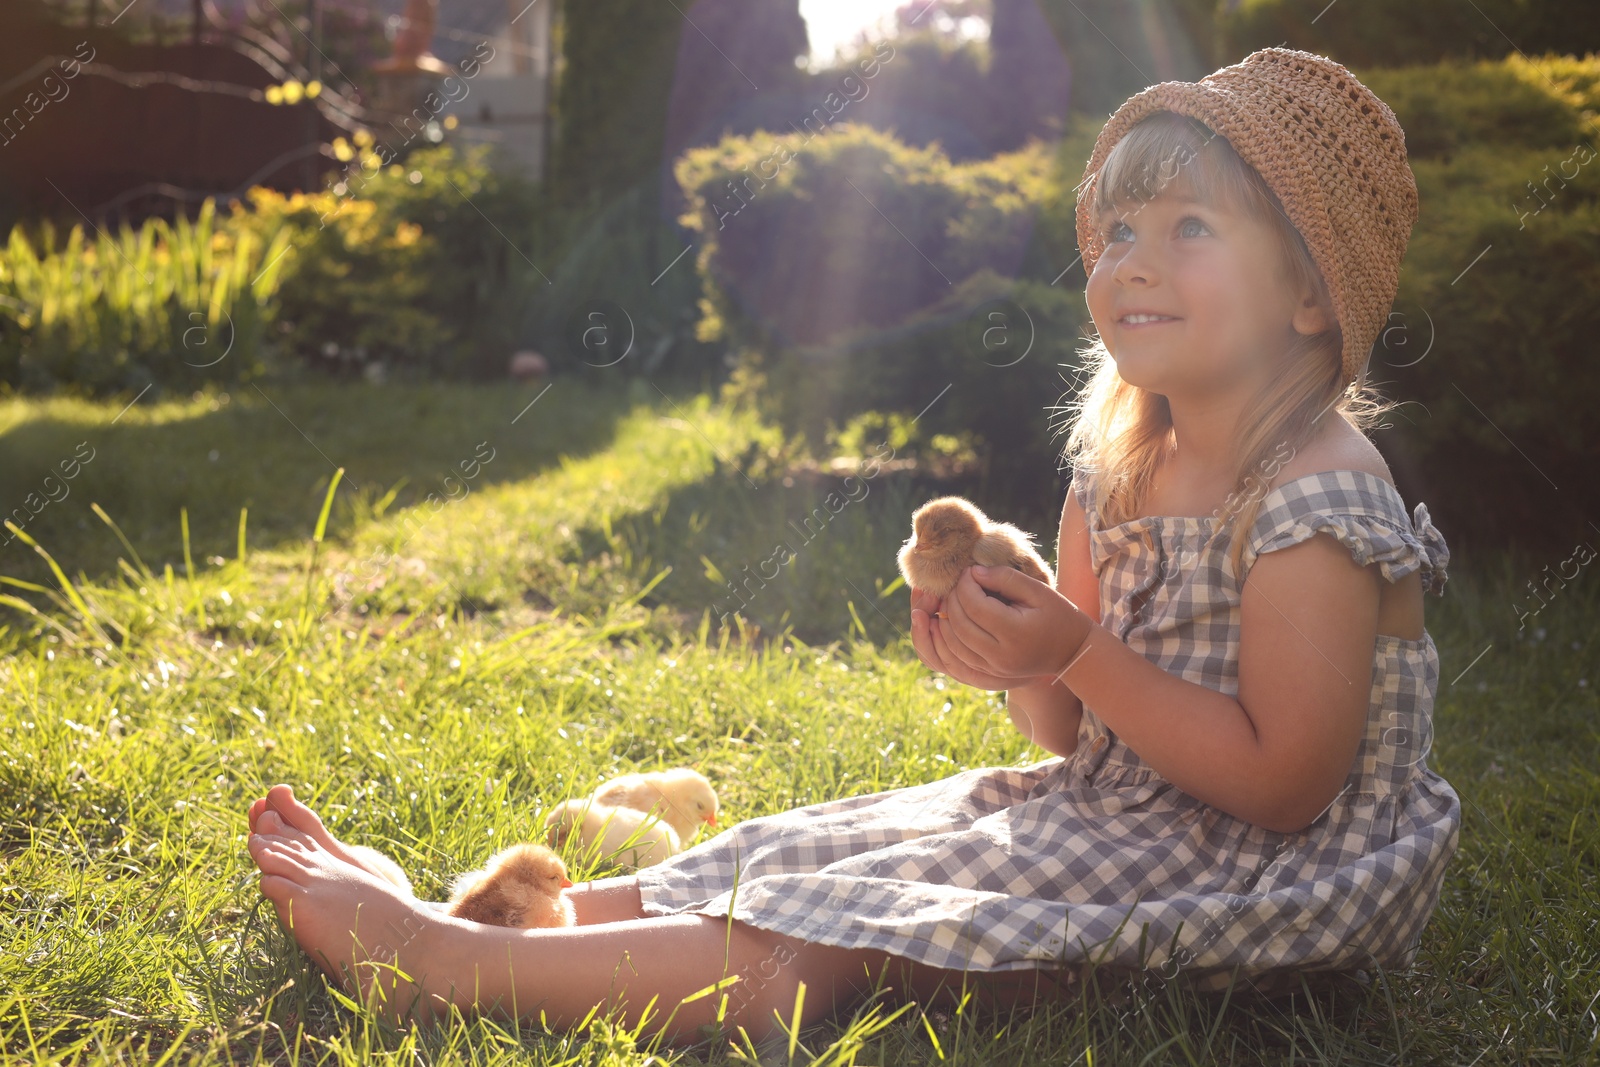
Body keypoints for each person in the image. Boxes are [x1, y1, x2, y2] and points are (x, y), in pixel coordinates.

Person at [245, 47, 1460, 1041]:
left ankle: (445, 964)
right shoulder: (1121, 466)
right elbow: (1075, 737)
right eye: (1119, 228)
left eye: (1188, 226)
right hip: (1107, 818)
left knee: (843, 936)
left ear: (1308, 295)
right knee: (811, 850)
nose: (1129, 258)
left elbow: (1281, 782)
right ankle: (509, 910)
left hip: (1250, 885)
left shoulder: (1313, 495)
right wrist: (1017, 651)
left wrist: (1078, 648)